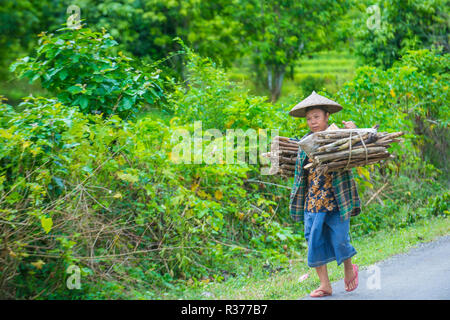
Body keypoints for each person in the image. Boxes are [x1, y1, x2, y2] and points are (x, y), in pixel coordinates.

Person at [288, 91, 362, 298]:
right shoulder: (304, 142)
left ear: (327, 116)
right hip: (312, 200)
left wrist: (353, 132)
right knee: (314, 241)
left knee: (340, 237)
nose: (312, 122)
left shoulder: (339, 135)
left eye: (317, 117)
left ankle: (349, 268)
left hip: (336, 197)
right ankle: (325, 285)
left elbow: (356, 149)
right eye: (309, 118)